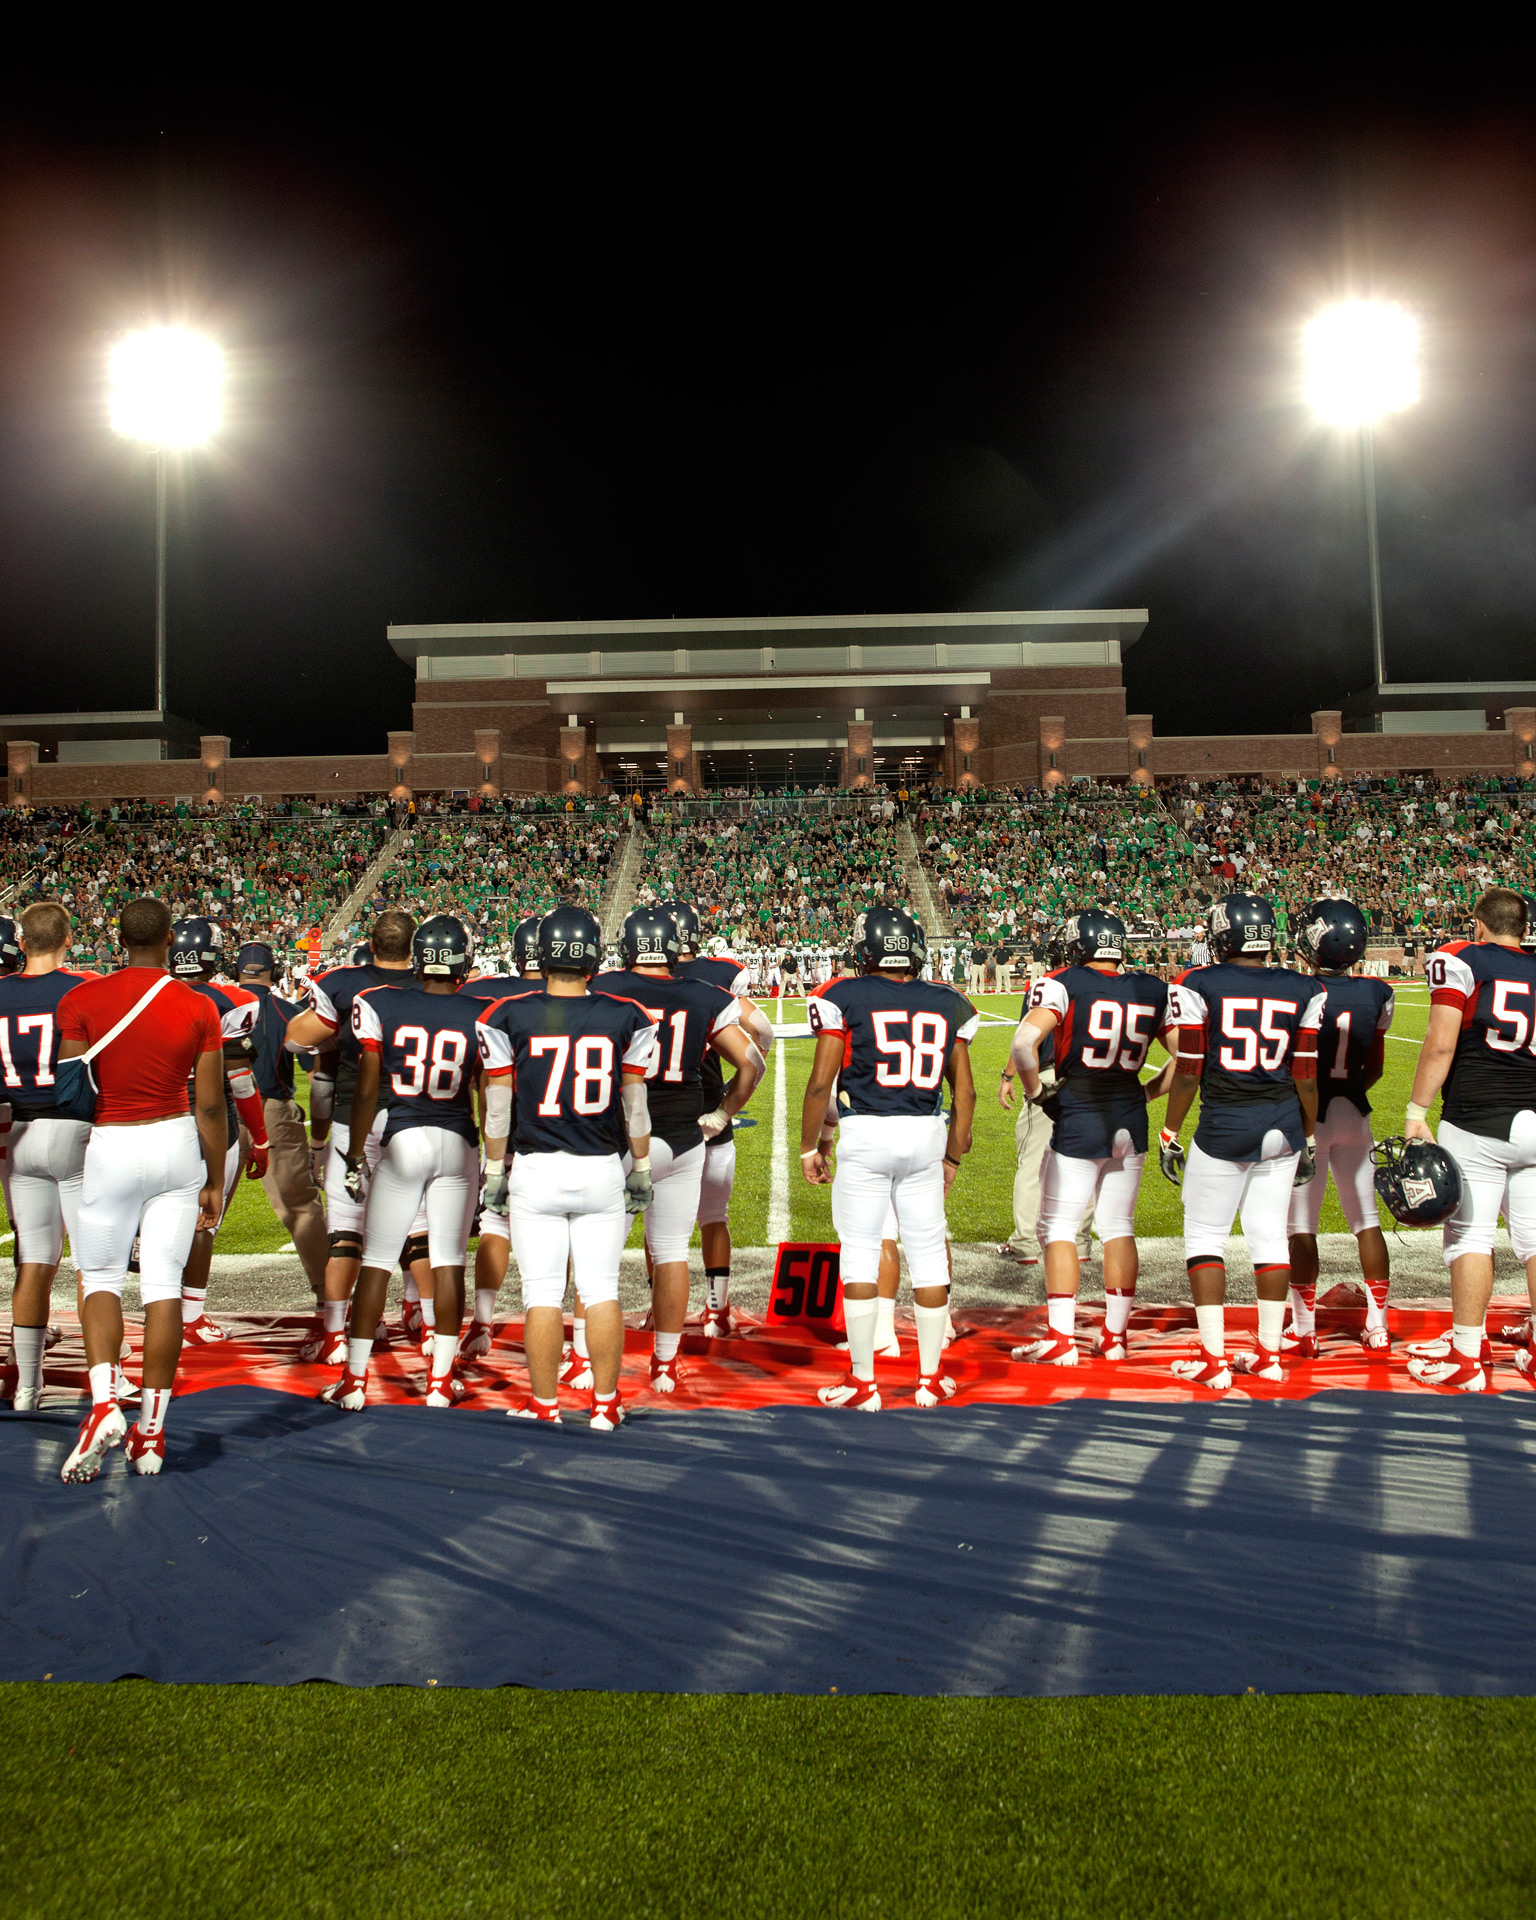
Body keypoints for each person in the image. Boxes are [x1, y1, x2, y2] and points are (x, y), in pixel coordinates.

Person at [57, 898, 227, 1483]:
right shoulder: (199, 1004)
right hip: (175, 1142)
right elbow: (210, 1106)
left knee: (102, 1278)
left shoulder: (81, 999)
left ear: (118, 938)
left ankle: (106, 1403)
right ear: (171, 939)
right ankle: (151, 1434)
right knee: (162, 1288)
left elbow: (71, 1089)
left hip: (113, 1140)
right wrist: (215, 1178)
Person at [475, 904, 657, 1429]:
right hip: (600, 1168)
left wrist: (494, 1171)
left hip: (536, 1169)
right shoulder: (627, 1014)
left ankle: (545, 1405)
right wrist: (641, 1166)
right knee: (601, 1291)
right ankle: (605, 1405)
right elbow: (635, 1105)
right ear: (595, 956)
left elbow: (498, 1108)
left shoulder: (506, 1014)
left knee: (541, 1295)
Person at [801, 904, 977, 1411]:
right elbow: (965, 1093)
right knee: (927, 1254)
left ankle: (863, 1382)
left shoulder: (842, 994)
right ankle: (930, 1378)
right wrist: (952, 1158)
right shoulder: (948, 1000)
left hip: (867, 1132)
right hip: (926, 1133)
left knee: (859, 1253)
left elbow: (820, 1084)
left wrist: (811, 1146)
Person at [320, 915, 486, 1410]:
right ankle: (440, 1381)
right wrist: (497, 1159)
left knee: (376, 1260)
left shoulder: (380, 1002)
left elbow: (366, 1088)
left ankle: (354, 1380)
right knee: (449, 1261)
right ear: (463, 961)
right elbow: (490, 1094)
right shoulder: (482, 1011)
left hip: (404, 1135)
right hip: (457, 1139)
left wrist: (354, 1153)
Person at [1159, 892, 1323, 1390]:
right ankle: (1269, 1354)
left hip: (1226, 1124)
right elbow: (1306, 1076)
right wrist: (1308, 1136)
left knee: (1205, 1237)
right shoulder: (1304, 987)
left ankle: (1214, 1358)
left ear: (1221, 935)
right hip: (1283, 1126)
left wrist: (1169, 1131)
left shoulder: (1197, 982)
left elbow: (1188, 1070)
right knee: (1269, 1236)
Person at [596, 906, 760, 1390]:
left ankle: (586, 1359)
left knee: (600, 1254)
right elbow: (752, 1062)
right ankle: (666, 1363)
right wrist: (723, 1114)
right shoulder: (702, 994)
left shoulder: (604, 988)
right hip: (685, 1138)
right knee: (671, 1253)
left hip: (622, 1137)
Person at [1008, 910, 1173, 1365]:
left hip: (1081, 1111)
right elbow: (1189, 1058)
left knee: (1057, 1227)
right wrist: (1146, 1092)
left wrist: (1036, 1092)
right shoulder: (1153, 988)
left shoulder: (1063, 982)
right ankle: (1115, 1337)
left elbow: (1023, 1044)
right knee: (1118, 1227)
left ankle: (1061, 1339)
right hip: (1129, 1115)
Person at [1404, 889, 1536, 1391]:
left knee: (1470, 1237)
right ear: (1524, 929)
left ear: (1479, 925)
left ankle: (1467, 1355)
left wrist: (1417, 1112)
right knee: (1534, 1240)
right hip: (1534, 1117)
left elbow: (1441, 1044)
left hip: (1479, 1116)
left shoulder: (1462, 957)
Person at [283, 910, 416, 1365]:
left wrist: (338, 1030)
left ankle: (336, 1334)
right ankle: (424, 1322)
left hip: (352, 1116)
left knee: (346, 1230)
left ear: (372, 945)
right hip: (415, 1118)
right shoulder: (429, 986)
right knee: (418, 1229)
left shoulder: (343, 984)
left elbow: (295, 1039)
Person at [1284, 900, 1396, 1355]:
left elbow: (1295, 1067)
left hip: (1307, 1117)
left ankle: (1304, 1328)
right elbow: (1376, 1067)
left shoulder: (1297, 989)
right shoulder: (1378, 993)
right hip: (1354, 1112)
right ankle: (1378, 1326)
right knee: (1366, 1222)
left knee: (1301, 1227)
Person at [0, 901, 98, 1409]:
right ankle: (105, 1380)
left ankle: (28, 1386)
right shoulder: (82, 989)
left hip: (18, 1133)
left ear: (21, 942)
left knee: (34, 1263)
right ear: (68, 937)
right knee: (91, 1263)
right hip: (72, 1129)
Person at [670, 900, 771, 1335]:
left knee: (662, 1228)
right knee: (714, 1215)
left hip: (658, 1116)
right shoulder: (717, 974)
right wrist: (734, 1090)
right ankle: (717, 1311)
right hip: (709, 1104)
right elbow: (762, 1029)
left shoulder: (632, 982)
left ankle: (660, 1312)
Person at [168, 918, 269, 1345]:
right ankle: (190, 1316)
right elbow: (240, 1079)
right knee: (203, 1221)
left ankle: (154, 1307)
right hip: (211, 1122)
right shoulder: (234, 1001)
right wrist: (260, 1138)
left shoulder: (146, 995)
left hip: (153, 1118)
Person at [453, 913, 542, 1358]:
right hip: (560, 1133)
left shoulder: (487, 997)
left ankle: (482, 1322)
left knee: (495, 1223)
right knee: (555, 1234)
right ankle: (562, 1335)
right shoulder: (583, 999)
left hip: (502, 1132)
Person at [232, 942, 329, 1308]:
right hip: (272, 1110)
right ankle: (328, 1293)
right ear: (274, 973)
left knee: (195, 1208)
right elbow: (317, 1077)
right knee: (301, 1206)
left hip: (218, 1111)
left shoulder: (216, 1006)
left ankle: (179, 1301)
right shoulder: (287, 1012)